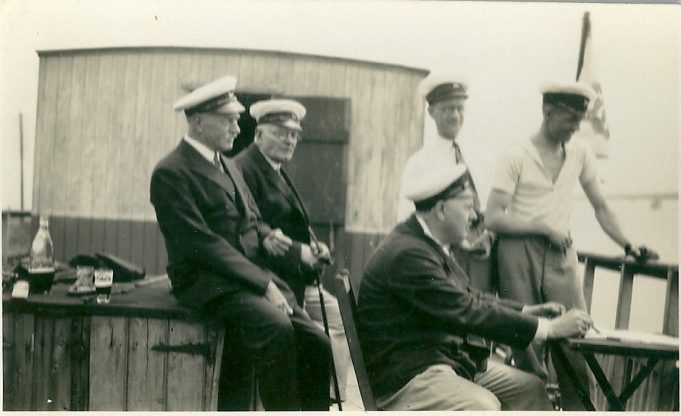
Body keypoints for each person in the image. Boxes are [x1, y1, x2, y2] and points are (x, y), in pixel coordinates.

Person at [149, 75, 331, 411]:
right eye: (229, 120)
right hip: (206, 280)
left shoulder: (229, 165)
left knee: (319, 343)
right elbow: (200, 244)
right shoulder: (171, 172)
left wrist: (268, 236)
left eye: (237, 119)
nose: (237, 128)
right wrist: (263, 283)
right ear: (198, 121)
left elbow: (251, 220)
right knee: (277, 328)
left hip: (243, 278)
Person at [357, 163, 594, 411]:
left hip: (437, 361)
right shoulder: (410, 254)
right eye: (469, 208)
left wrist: (526, 311)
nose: (474, 218)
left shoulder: (425, 243)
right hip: (406, 378)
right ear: (441, 210)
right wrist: (549, 329)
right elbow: (467, 310)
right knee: (484, 406)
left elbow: (469, 297)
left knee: (530, 389)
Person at [485, 82, 657, 410]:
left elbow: (601, 206)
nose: (576, 128)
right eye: (570, 120)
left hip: (560, 254)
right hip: (516, 254)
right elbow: (493, 216)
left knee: (577, 336)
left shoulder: (579, 152)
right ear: (548, 112)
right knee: (526, 344)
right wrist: (542, 227)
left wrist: (630, 244)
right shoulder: (515, 155)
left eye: (579, 122)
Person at [234, 98, 351, 401]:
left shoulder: (275, 169)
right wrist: (300, 252)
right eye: (281, 132)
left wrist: (315, 245)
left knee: (340, 319)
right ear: (259, 134)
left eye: (294, 134)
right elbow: (252, 227)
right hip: (270, 278)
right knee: (317, 342)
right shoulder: (244, 169)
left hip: (295, 276)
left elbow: (292, 221)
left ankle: (330, 393)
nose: (290, 140)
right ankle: (318, 397)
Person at [397, 75, 497, 292]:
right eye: (447, 109)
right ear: (431, 112)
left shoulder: (480, 157)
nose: (455, 115)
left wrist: (489, 235)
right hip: (444, 254)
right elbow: (408, 220)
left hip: (483, 252)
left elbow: (494, 205)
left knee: (486, 308)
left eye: (460, 109)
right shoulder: (419, 163)